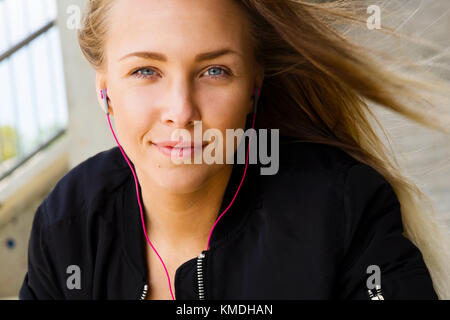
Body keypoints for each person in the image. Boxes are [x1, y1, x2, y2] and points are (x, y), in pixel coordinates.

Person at [19, 0, 448, 300]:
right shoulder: (66, 221)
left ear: (253, 87)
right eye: (146, 71)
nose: (181, 111)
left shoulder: (343, 206)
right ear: (105, 90)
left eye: (214, 71)